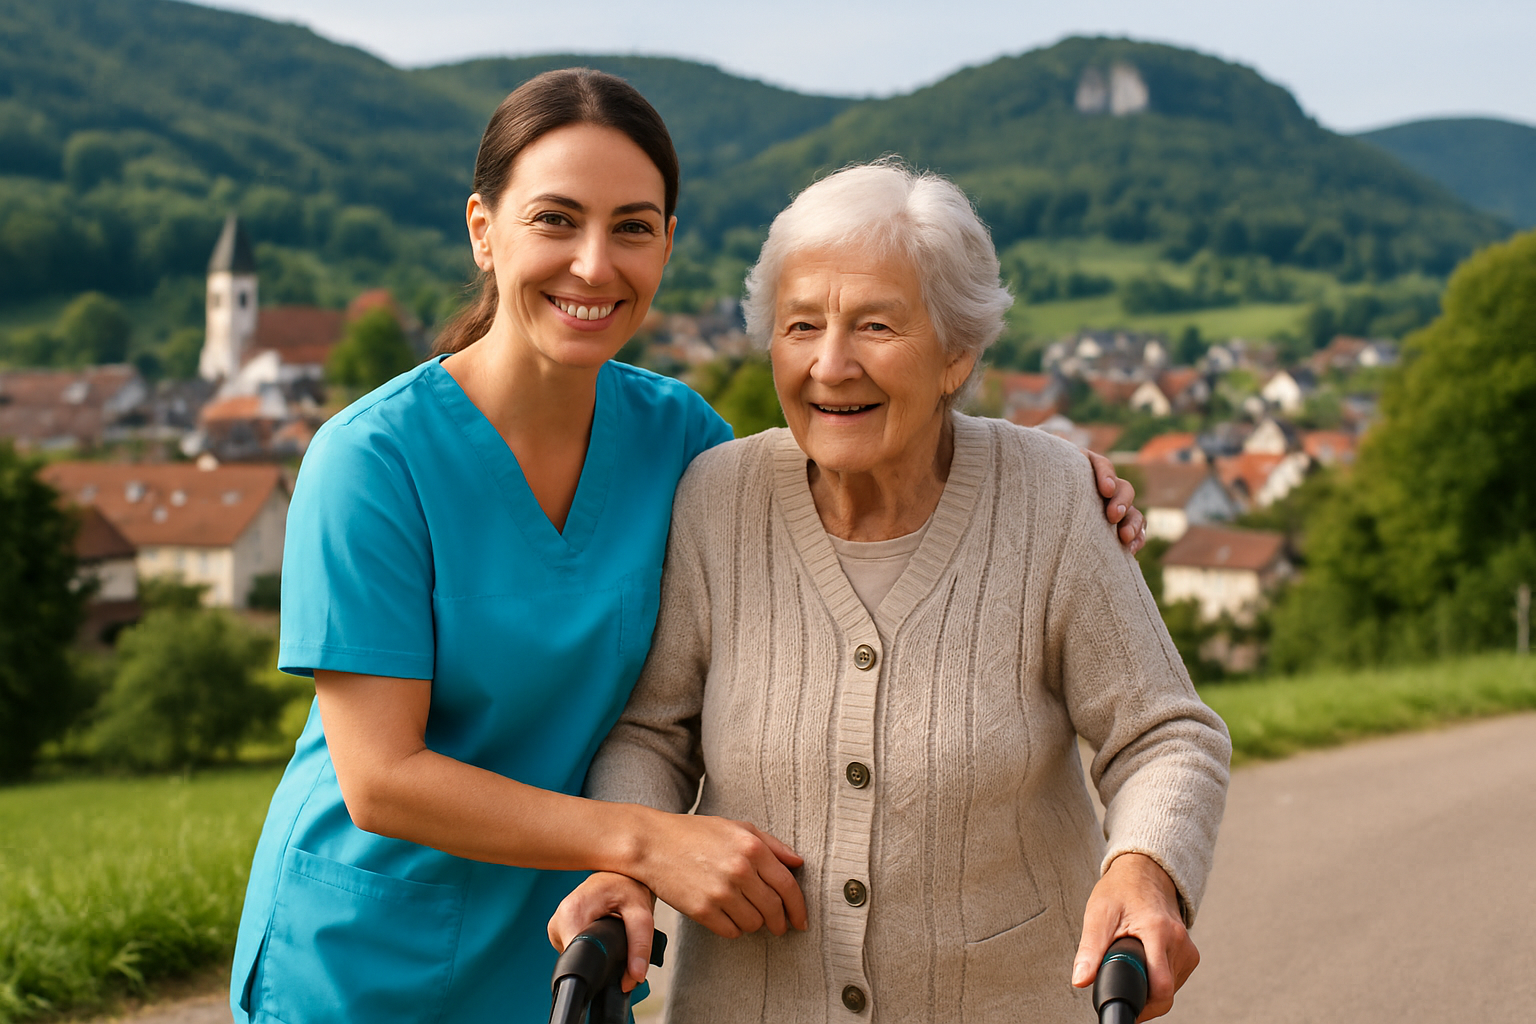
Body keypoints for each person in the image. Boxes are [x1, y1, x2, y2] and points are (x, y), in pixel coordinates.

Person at [230, 72, 1146, 1024]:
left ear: (667, 243)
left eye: (632, 226)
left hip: (580, 936)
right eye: (555, 219)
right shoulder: (370, 461)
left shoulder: (683, 444)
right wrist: (647, 842)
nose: (594, 264)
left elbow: (854, 439)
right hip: (369, 954)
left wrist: (1043, 474)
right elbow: (381, 780)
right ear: (483, 229)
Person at [556, 160, 1231, 1022]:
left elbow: (1165, 735)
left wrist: (1144, 866)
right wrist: (626, 860)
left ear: (957, 354)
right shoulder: (716, 499)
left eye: (875, 325)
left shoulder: (1053, 500)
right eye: (801, 326)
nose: (831, 365)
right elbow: (651, 734)